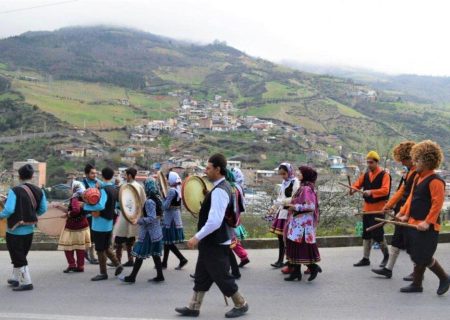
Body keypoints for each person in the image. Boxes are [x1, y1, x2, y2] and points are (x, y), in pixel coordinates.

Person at [175, 154, 249, 318]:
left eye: (208, 168)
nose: (206, 171)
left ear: (218, 169)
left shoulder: (220, 191)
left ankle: (241, 304)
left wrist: (197, 237)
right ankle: (193, 307)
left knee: (222, 276)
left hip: (215, 241)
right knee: (201, 275)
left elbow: (215, 221)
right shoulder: (222, 187)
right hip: (213, 241)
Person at [397, 140, 449, 295]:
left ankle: (444, 277)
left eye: (417, 159)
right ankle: (417, 285)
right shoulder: (418, 178)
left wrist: (428, 222)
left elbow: (437, 204)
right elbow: (412, 198)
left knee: (423, 256)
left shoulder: (436, 181)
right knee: (415, 253)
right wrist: (404, 214)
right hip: (414, 222)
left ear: (427, 161)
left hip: (428, 227)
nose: (414, 162)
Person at [372, 141, 417, 279]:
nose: (402, 163)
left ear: (411, 157)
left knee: (412, 243)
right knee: (397, 240)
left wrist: (402, 211)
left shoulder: (417, 173)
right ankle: (388, 269)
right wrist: (389, 205)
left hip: (410, 212)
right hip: (401, 211)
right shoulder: (409, 173)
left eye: (404, 160)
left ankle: (418, 272)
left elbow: (411, 196)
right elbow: (402, 191)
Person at [0, 164, 47, 291]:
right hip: (29, 230)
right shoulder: (39, 191)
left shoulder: (14, 191)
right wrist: (30, 214)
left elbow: (9, 209)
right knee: (20, 255)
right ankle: (16, 278)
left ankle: (27, 282)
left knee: (18, 256)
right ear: (32, 176)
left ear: (19, 176)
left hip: (14, 231)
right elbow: (43, 209)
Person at [350, 151, 391, 268]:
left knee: (378, 234)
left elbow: (385, 190)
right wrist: (352, 189)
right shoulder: (366, 174)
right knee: (366, 234)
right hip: (367, 209)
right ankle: (365, 258)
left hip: (379, 209)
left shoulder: (385, 175)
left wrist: (371, 191)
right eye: (367, 162)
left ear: (377, 162)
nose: (369, 165)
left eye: (371, 162)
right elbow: (357, 184)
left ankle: (386, 256)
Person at [119, 178, 164, 283]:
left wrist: (138, 220)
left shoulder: (149, 201)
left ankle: (132, 277)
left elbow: (151, 218)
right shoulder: (158, 199)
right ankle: (160, 276)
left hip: (148, 233)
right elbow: (158, 216)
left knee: (139, 254)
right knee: (155, 254)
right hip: (156, 232)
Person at [83, 167, 123, 281]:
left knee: (100, 249)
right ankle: (118, 264)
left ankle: (103, 273)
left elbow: (100, 205)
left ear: (102, 175)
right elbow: (116, 206)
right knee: (106, 247)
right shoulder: (114, 189)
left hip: (99, 223)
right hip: (109, 222)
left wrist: (86, 206)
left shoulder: (103, 189)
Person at [284, 166, 321, 281]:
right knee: (295, 247)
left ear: (305, 174)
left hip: (302, 225)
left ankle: (313, 267)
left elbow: (310, 206)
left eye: (300, 172)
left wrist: (294, 206)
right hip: (298, 224)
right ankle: (296, 272)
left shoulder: (306, 189)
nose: (297, 173)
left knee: (301, 248)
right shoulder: (304, 187)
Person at [269, 163, 300, 268]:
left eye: (284, 173)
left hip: (290, 213)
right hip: (282, 213)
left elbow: (295, 198)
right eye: (281, 174)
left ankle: (289, 260)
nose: (283, 176)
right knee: (281, 238)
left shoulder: (295, 182)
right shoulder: (284, 182)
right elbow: (280, 196)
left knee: (288, 239)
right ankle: (280, 260)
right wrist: (274, 207)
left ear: (289, 172)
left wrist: (281, 202)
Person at [57, 180, 91, 273]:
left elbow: (75, 210)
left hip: (73, 225)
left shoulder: (75, 198)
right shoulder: (84, 197)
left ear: (74, 188)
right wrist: (59, 207)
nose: (69, 189)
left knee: (67, 246)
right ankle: (80, 266)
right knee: (80, 247)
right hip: (83, 224)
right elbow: (76, 209)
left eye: (70, 187)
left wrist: (67, 215)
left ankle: (72, 264)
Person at [114, 168, 145, 267]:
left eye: (125, 174)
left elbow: (120, 200)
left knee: (119, 239)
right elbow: (143, 202)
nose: (124, 176)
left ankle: (117, 261)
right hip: (134, 216)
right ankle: (130, 260)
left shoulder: (125, 186)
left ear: (130, 175)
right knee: (130, 239)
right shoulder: (139, 186)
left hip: (125, 216)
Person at [162, 171, 188, 270]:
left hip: (170, 219)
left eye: (167, 179)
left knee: (168, 241)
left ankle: (182, 259)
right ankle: (164, 262)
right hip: (175, 217)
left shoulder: (172, 191)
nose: (167, 181)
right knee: (167, 241)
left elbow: (165, 206)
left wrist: (162, 198)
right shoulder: (178, 190)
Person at [82, 163, 100, 265]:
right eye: (92, 173)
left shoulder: (97, 182)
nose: (95, 175)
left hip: (96, 212)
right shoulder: (82, 184)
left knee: (93, 235)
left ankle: (86, 253)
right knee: (90, 235)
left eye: (95, 173)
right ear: (87, 173)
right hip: (87, 213)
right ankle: (91, 256)